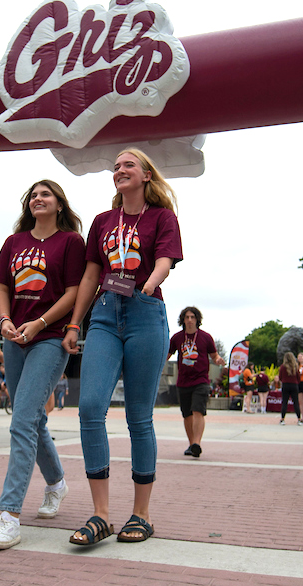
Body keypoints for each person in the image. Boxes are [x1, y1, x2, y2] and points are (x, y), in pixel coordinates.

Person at [63, 147, 182, 546]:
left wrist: (148, 285)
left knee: (138, 418)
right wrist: (75, 322)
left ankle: (141, 514)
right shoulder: (102, 222)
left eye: (128, 164)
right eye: (115, 167)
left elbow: (165, 260)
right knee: (91, 407)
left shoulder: (162, 217)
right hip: (105, 315)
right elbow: (91, 274)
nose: (120, 170)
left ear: (147, 174)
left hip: (145, 312)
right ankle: (100, 515)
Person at [0, 179, 86, 550]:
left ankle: (9, 516)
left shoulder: (71, 242)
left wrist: (40, 323)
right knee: (33, 419)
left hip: (50, 338)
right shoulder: (14, 243)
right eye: (33, 195)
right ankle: (56, 484)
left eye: (46, 194)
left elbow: (73, 292)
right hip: (15, 339)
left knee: (22, 419)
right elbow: (3, 288)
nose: (38, 199)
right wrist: (5, 321)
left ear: (59, 204)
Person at [168, 306, 226, 457]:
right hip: (183, 381)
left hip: (201, 380)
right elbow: (166, 355)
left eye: (192, 317)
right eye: (186, 317)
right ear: (183, 320)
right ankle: (191, 444)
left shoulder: (206, 337)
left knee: (198, 410)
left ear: (197, 320)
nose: (189, 320)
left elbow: (214, 356)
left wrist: (219, 360)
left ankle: (197, 443)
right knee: (187, 414)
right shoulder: (177, 338)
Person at [277, 352, 303, 425]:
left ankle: (282, 419)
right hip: (294, 385)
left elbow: (280, 377)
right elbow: (299, 377)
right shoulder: (295, 366)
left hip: (285, 385)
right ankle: (299, 419)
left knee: (284, 402)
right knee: (296, 402)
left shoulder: (282, 366)